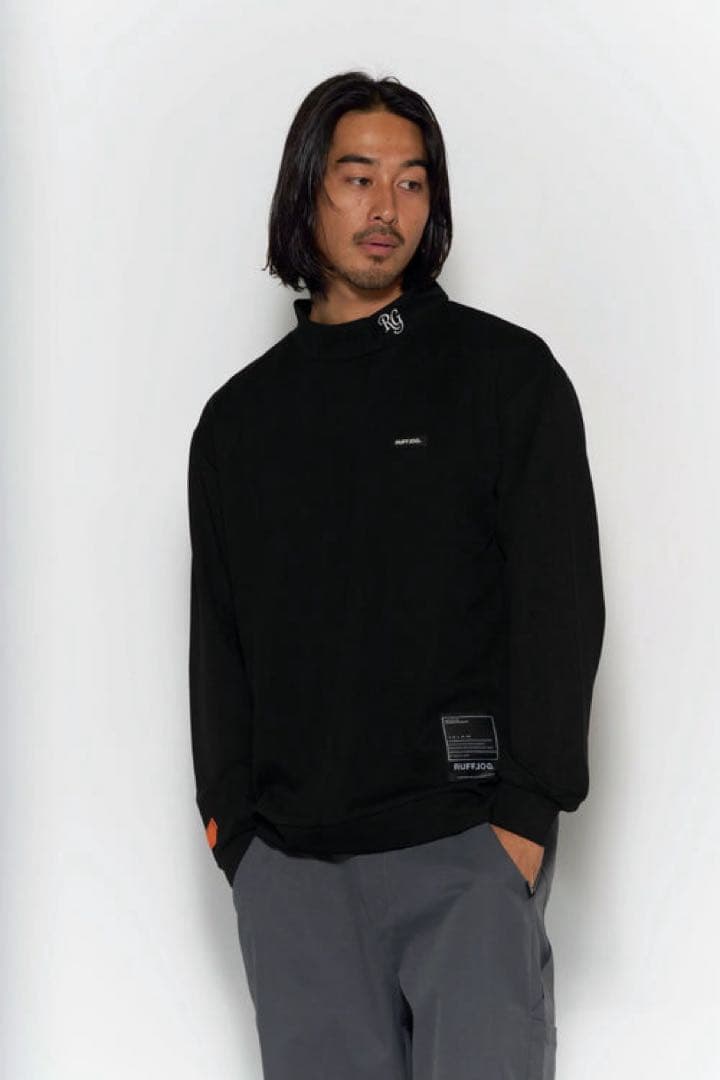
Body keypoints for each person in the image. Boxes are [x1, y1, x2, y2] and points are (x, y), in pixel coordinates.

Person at [187, 70, 605, 1080]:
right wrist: (236, 836)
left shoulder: (506, 378)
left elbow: (560, 606)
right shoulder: (239, 422)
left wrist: (525, 818)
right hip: (293, 873)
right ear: (306, 193)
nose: (387, 207)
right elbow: (219, 638)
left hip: (466, 846)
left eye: (413, 182)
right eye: (358, 177)